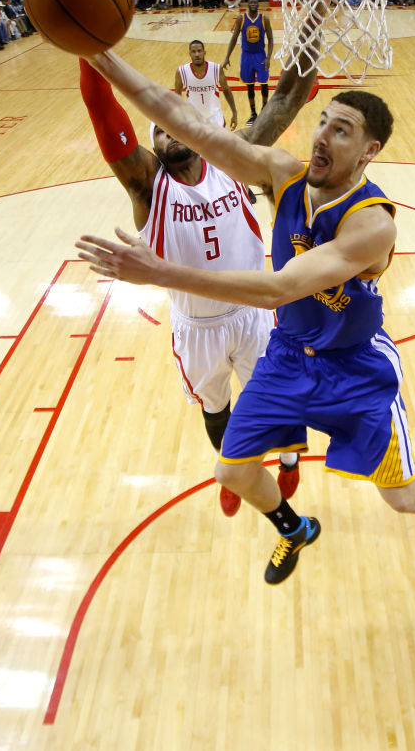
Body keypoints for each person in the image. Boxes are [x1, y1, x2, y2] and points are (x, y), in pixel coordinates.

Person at [76, 51, 415, 591]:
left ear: (370, 151)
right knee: (232, 470)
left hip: (354, 367)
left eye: (341, 131)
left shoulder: (372, 225)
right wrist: (100, 56)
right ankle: (293, 527)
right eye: (322, 122)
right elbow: (184, 120)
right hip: (289, 355)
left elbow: (278, 289)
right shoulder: (281, 174)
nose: (321, 137)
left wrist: (159, 273)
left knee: (400, 495)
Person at [79, 49, 314, 517]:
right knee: (216, 408)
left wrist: (310, 31)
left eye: (176, 126)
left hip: (254, 313)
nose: (170, 135)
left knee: (279, 397)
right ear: (154, 145)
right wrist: (89, 52)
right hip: (198, 328)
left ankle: (288, 459)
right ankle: (233, 470)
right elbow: (106, 122)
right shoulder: (148, 184)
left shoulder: (234, 158)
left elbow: (286, 99)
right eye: (159, 131)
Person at [223, 0, 273, 125]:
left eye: (255, 2)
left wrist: (268, 57)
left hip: (260, 55)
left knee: (264, 84)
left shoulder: (264, 19)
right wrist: (227, 56)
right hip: (246, 56)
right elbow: (234, 38)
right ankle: (253, 113)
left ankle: (264, 110)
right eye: (251, 2)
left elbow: (271, 39)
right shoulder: (241, 19)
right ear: (248, 4)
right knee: (250, 85)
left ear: (258, 5)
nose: (253, 4)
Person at [173, 39, 238, 131]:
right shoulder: (182, 71)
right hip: (194, 119)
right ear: (189, 54)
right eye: (194, 52)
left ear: (204, 52)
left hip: (215, 117)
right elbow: (177, 96)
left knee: (221, 145)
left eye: (199, 51)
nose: (197, 54)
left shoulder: (216, 69)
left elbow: (226, 90)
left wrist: (234, 113)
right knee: (194, 146)